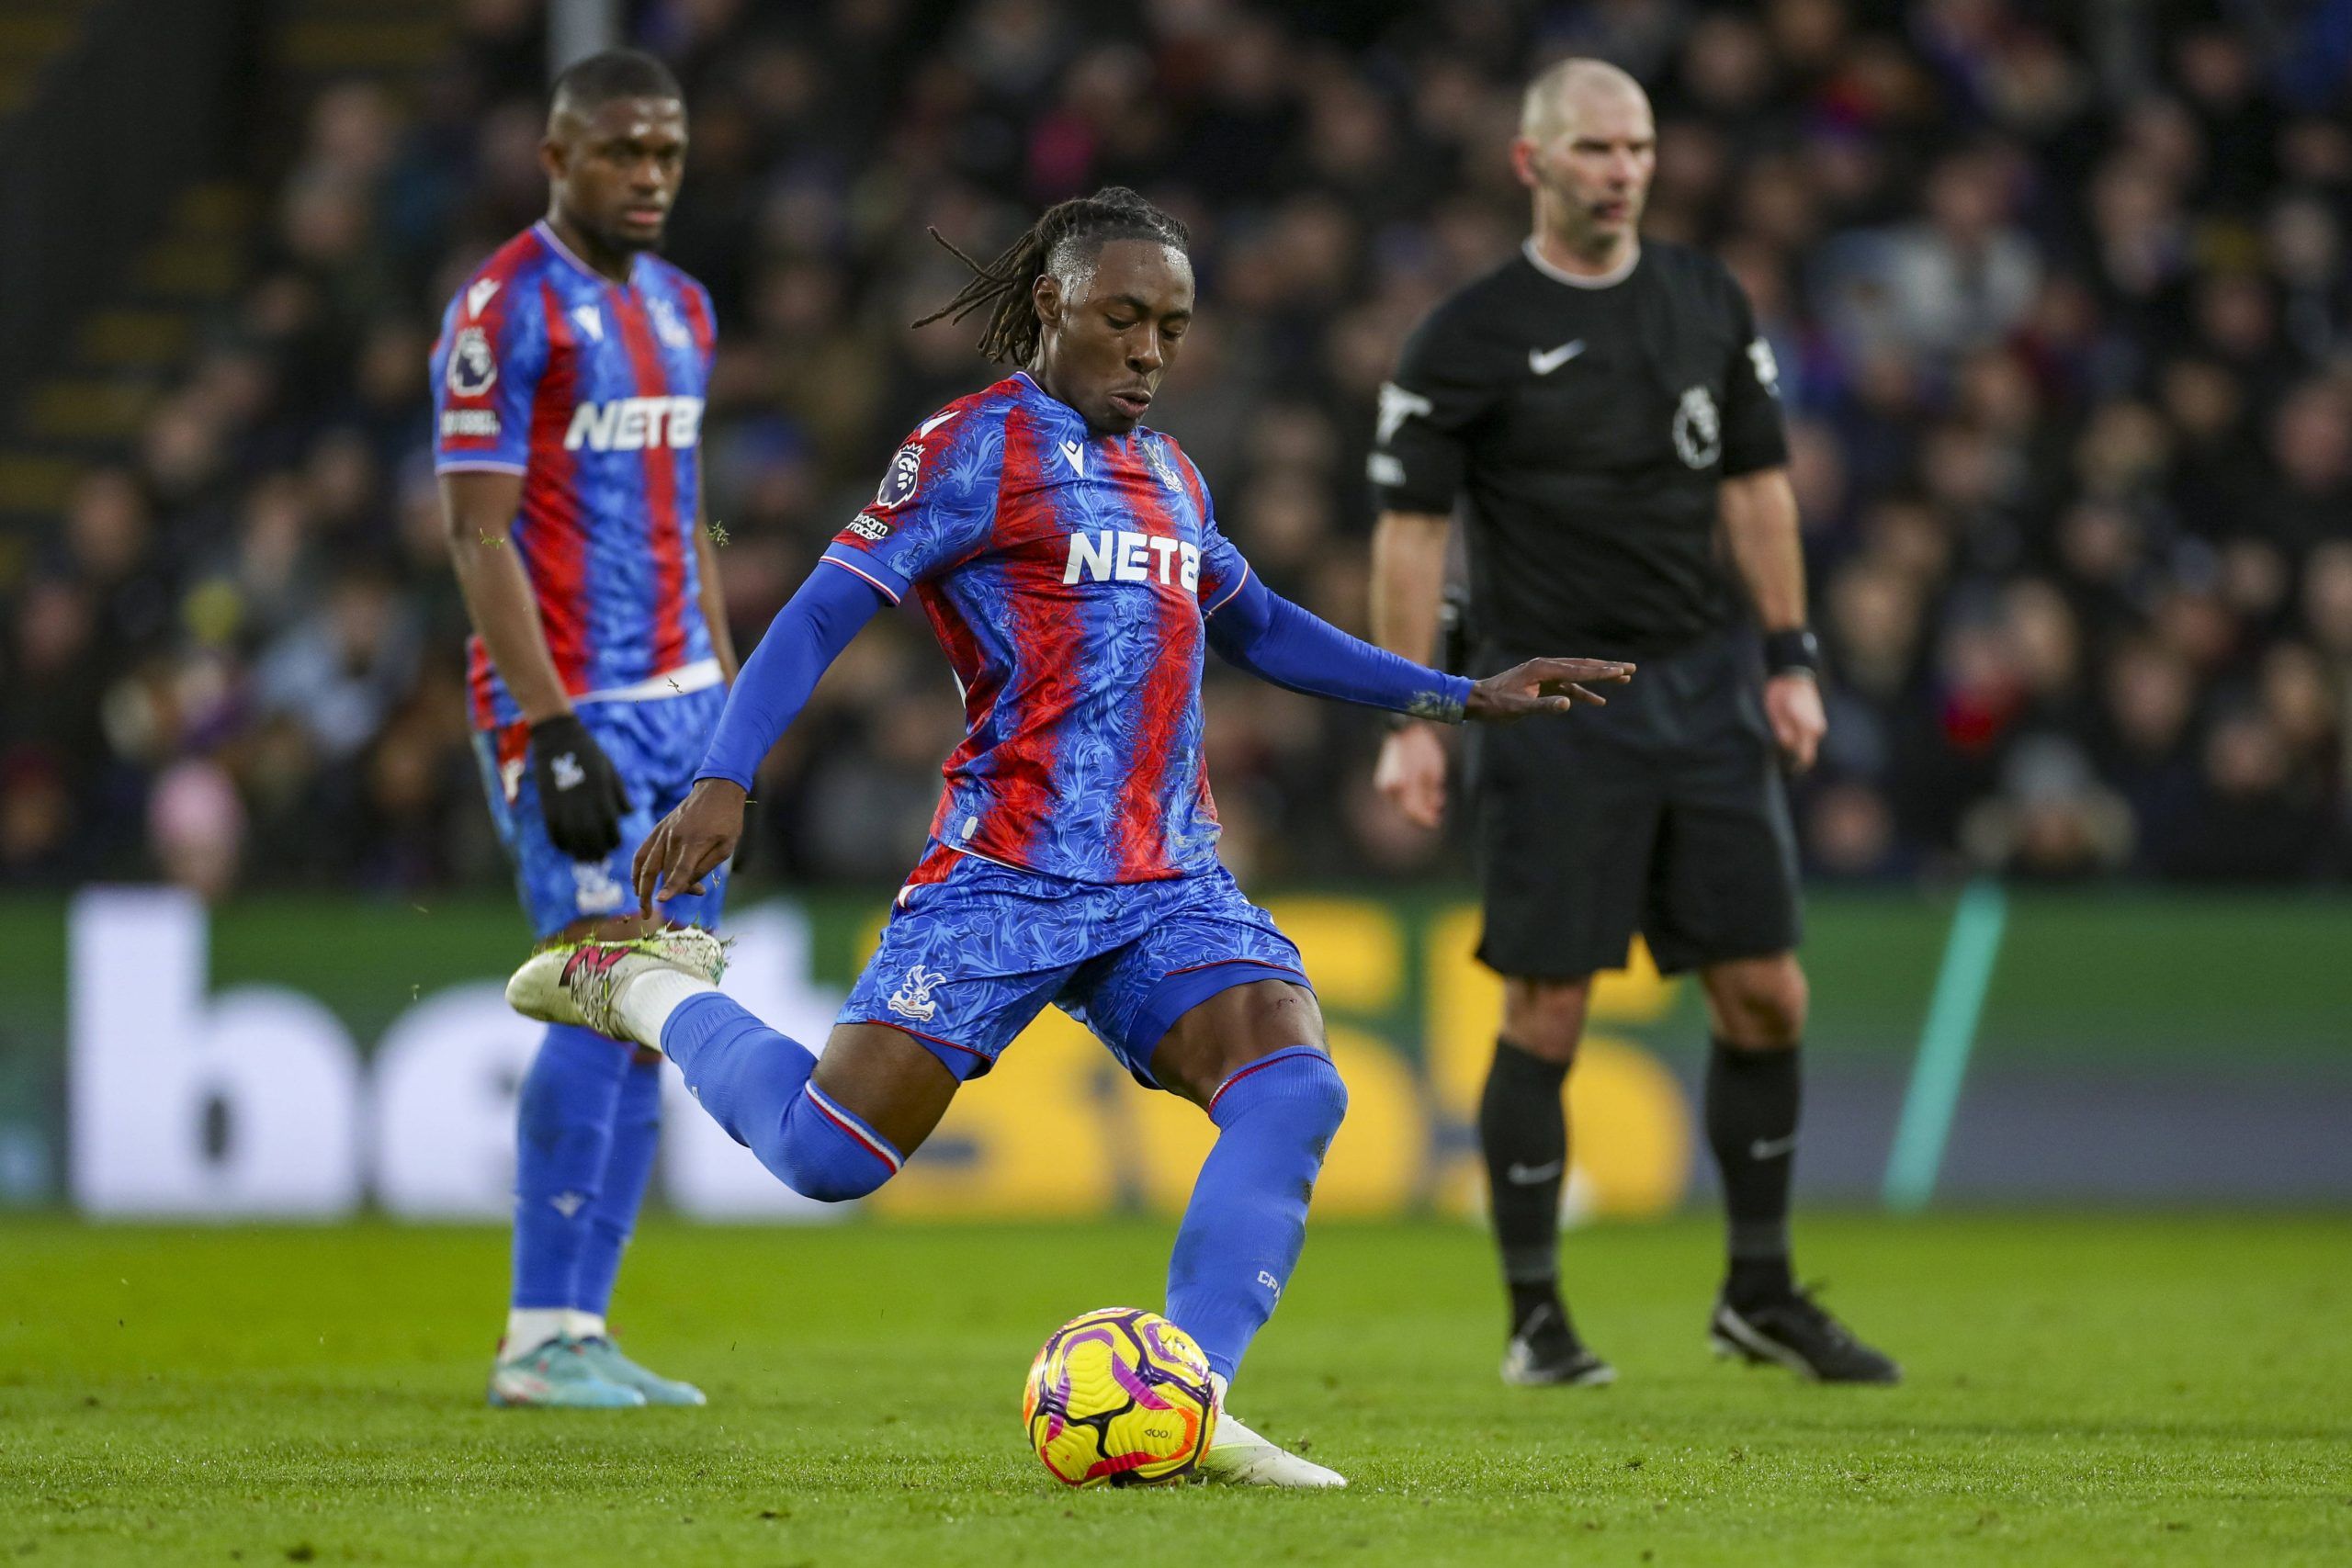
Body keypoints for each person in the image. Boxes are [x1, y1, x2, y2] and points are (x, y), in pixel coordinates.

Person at [504, 186, 1633, 1483]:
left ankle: (1190, 1403)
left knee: (1294, 1086)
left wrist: (1460, 691)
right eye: (1125, 319)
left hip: (1168, 880)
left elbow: (1259, 627)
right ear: (1053, 305)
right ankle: (644, 986)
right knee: (828, 1158)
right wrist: (725, 780)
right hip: (1008, 878)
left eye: (1172, 327)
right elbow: (819, 613)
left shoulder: (1171, 472)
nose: (1151, 352)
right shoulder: (970, 449)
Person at [1366, 60, 1899, 1386]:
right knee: (1550, 1006)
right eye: (1597, 149)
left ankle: (1759, 1292)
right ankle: (1537, 1319)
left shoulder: (1707, 300)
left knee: (1767, 991)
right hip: (1550, 703)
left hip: (1704, 687)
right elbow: (1411, 534)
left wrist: (1790, 657)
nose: (1624, 170)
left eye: (1640, 148)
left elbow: (1761, 489)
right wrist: (1415, 710)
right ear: (1531, 164)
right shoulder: (1466, 336)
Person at [431, 48, 733, 1409]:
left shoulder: (685, 308)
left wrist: (732, 699)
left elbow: (689, 511)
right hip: (579, 708)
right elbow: (474, 531)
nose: (651, 176)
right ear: (558, 158)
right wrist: (549, 727)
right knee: (600, 980)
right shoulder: (504, 310)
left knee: (656, 1007)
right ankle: (535, 1331)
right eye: (623, 152)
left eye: (667, 153)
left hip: (684, 702)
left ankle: (584, 1330)